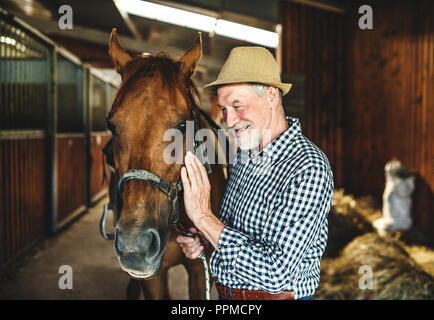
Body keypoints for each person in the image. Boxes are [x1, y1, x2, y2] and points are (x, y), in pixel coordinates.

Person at [176, 46, 334, 300]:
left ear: (272, 97)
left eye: (237, 106)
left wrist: (204, 218)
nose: (228, 121)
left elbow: (275, 272)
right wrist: (205, 239)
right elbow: (234, 232)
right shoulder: (246, 153)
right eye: (224, 109)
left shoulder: (308, 167)